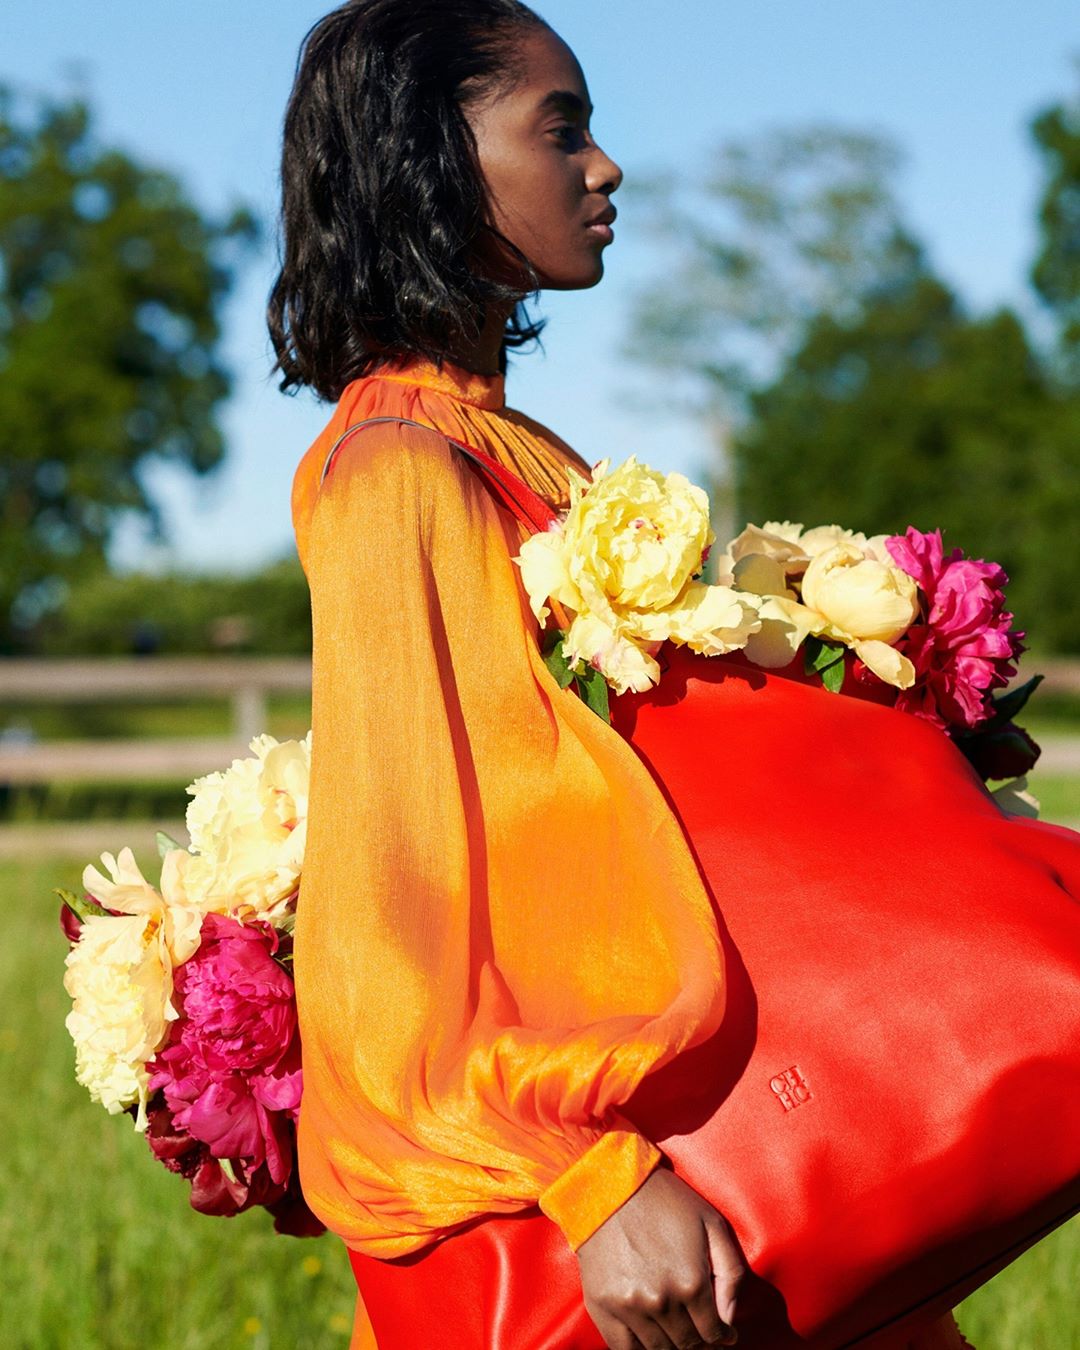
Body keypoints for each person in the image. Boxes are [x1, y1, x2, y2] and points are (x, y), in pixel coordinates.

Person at [271, 3, 976, 1346]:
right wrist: (594, 1184)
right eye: (562, 127)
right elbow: (406, 913)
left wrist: (886, 745)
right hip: (617, 1216)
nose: (605, 167)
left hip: (702, 1140)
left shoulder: (512, 447)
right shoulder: (396, 473)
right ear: (429, 157)